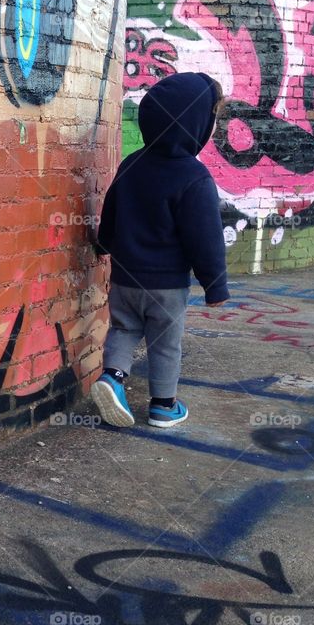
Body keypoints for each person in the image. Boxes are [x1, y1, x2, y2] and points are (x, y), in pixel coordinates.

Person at [91, 72, 230, 428]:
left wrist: (103, 244)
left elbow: (112, 210)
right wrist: (215, 286)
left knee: (124, 329)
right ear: (195, 124)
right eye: (212, 120)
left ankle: (112, 378)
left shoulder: (130, 164)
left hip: (125, 279)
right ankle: (164, 406)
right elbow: (206, 238)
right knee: (165, 343)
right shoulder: (195, 177)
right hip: (166, 287)